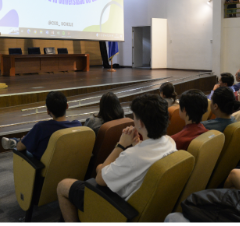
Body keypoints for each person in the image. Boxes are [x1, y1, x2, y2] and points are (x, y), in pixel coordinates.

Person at [57, 94, 176, 223]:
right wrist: (137, 144)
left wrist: (121, 145)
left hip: (118, 207)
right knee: (99, 168)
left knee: (63, 185)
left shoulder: (132, 156)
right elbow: (146, 154)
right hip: (144, 205)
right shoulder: (170, 142)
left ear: (140, 123)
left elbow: (100, 179)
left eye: (134, 117)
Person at [1, 92, 82, 160]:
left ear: (48, 111)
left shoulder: (42, 127)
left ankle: (18, 141)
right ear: (67, 106)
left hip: (44, 169)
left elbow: (19, 148)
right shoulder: (78, 125)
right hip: (68, 166)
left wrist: (20, 143)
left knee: (25, 144)